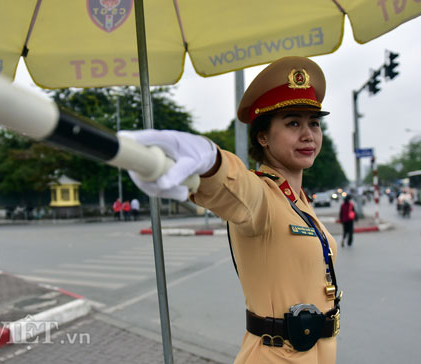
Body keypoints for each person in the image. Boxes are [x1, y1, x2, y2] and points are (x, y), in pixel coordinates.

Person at [121, 56, 340, 363]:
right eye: (293, 123)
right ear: (262, 136)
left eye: (314, 123)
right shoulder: (263, 197)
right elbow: (234, 184)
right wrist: (210, 159)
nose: (308, 134)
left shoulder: (299, 201)